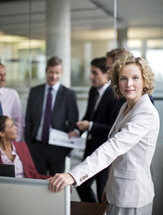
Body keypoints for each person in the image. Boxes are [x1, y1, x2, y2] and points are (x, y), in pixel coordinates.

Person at [49, 56, 160, 215]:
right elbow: (119, 159)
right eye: (123, 78)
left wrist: (73, 175)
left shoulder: (146, 113)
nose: (128, 84)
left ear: (145, 80)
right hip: (117, 191)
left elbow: (114, 147)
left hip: (133, 197)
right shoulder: (126, 107)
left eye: (135, 78)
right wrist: (109, 186)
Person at [69, 57, 116, 203]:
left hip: (104, 151)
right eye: (91, 72)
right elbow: (88, 116)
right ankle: (94, 210)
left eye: (95, 73)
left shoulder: (114, 95)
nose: (91, 76)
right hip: (90, 148)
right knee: (81, 185)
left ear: (106, 74)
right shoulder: (93, 91)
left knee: (103, 190)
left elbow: (112, 129)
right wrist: (77, 131)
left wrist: (90, 125)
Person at [25, 56, 79, 175]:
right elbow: (28, 120)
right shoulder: (35, 92)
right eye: (51, 72)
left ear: (61, 73)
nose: (53, 76)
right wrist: (29, 146)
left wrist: (66, 150)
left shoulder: (68, 94)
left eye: (57, 73)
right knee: (36, 183)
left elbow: (73, 123)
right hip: (37, 147)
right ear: (46, 71)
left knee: (56, 187)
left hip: (58, 149)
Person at [0, 63, 24, 141]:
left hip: (7, 143)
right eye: (0, 75)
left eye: (5, 75)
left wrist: (17, 140)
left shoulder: (12, 94)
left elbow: (19, 120)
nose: (3, 78)